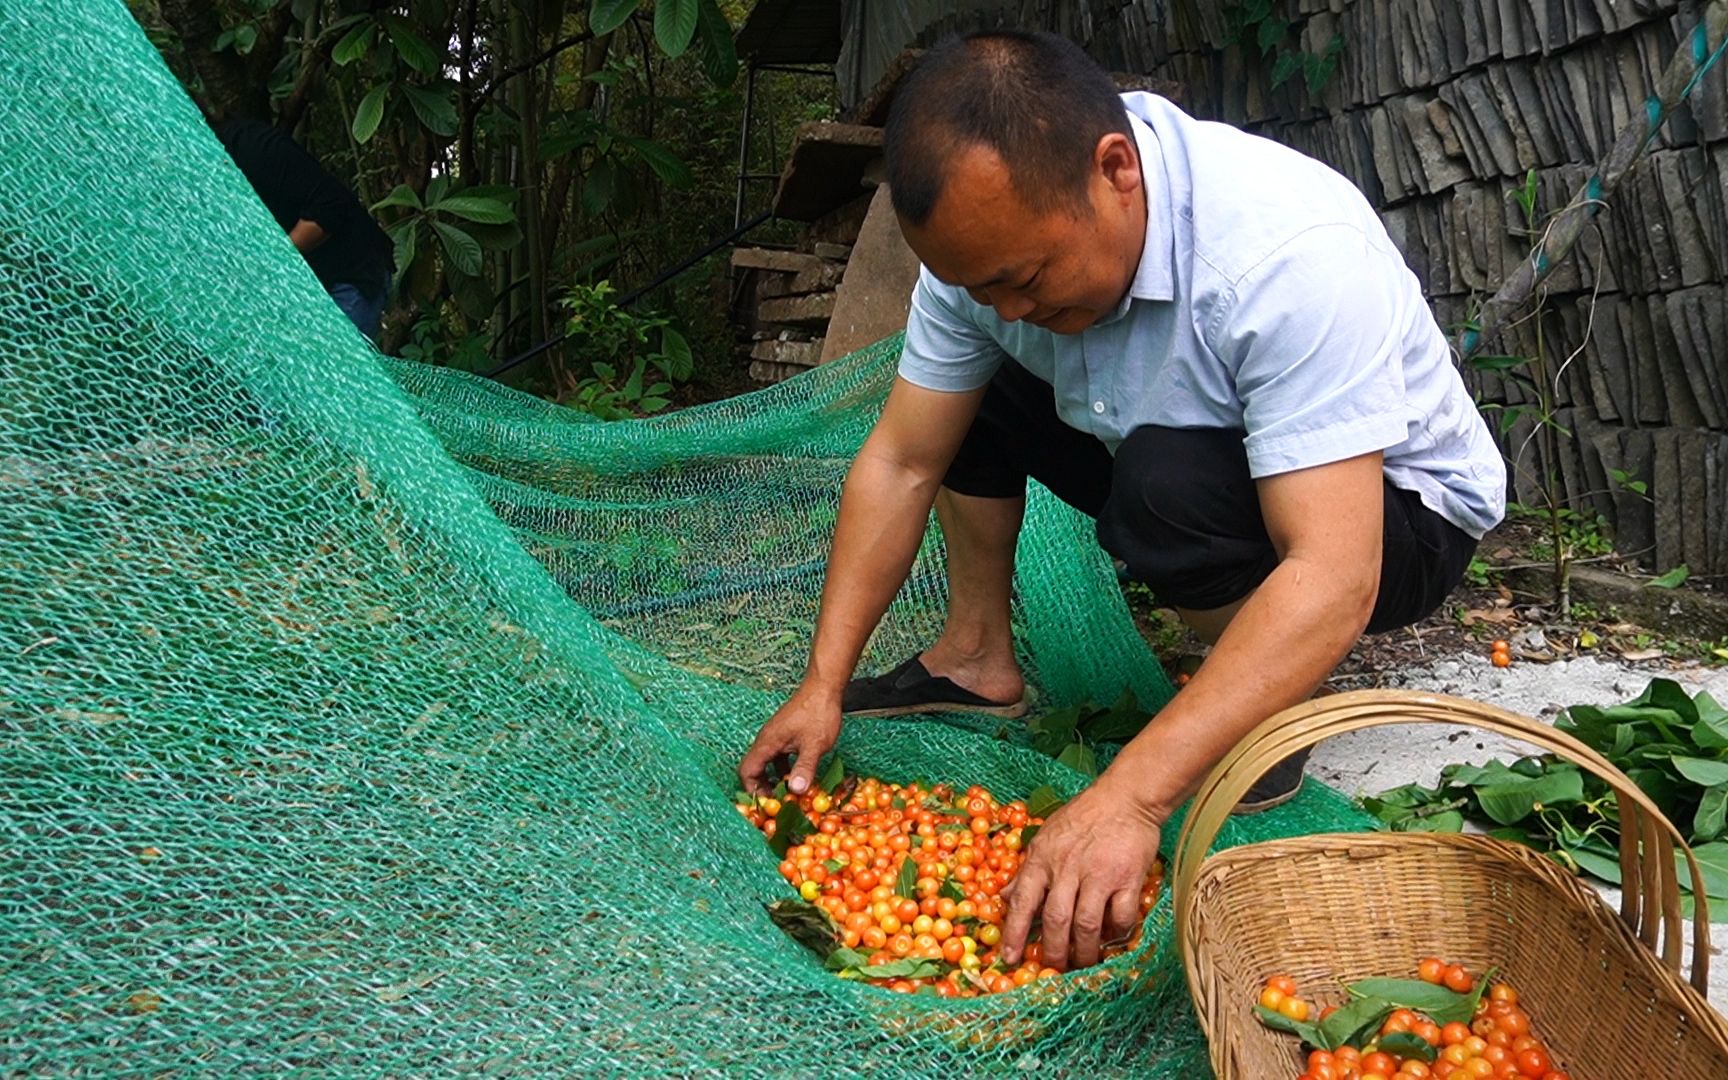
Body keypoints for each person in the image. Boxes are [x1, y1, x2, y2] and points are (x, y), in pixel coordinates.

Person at [737, 30, 1505, 974]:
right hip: (1178, 450)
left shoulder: (1285, 254)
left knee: (1166, 492)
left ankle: (1262, 714)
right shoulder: (987, 262)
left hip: (1400, 519)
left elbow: (1335, 572)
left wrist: (1130, 799)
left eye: (1025, 277)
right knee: (966, 399)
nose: (1005, 306)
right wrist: (822, 682)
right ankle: (975, 658)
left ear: (1115, 172)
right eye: (982, 286)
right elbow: (900, 461)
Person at [211, 115, 394, 342]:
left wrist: (268, 262)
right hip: (299, 288)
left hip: (349, 273)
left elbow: (328, 209)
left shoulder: (252, 147)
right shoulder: (202, 182)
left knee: (335, 369)